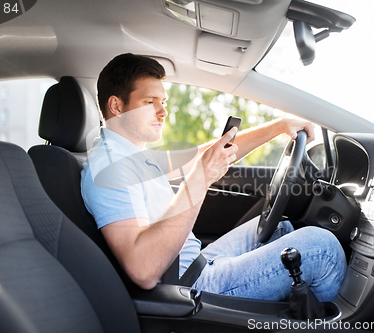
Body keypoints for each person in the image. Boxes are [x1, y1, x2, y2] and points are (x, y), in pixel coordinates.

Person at [81, 53, 346, 302]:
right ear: (116, 105)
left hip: (192, 262)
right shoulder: (110, 168)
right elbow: (143, 269)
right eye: (150, 102)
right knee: (321, 248)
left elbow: (202, 156)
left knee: (281, 229)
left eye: (163, 102)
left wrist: (278, 127)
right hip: (187, 284)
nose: (163, 112)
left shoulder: (129, 154)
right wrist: (201, 178)